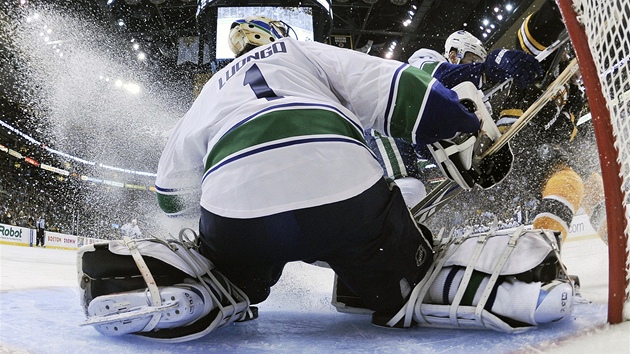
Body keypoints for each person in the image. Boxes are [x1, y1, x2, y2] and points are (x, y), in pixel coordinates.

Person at [77, 16, 574, 341]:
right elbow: (399, 90)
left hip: (238, 209)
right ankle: (483, 283)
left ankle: (191, 281)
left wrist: (213, 225)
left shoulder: (210, 89)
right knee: (404, 277)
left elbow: (171, 195)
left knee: (233, 276)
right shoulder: (305, 53)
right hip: (343, 191)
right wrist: (466, 137)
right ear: (282, 35)